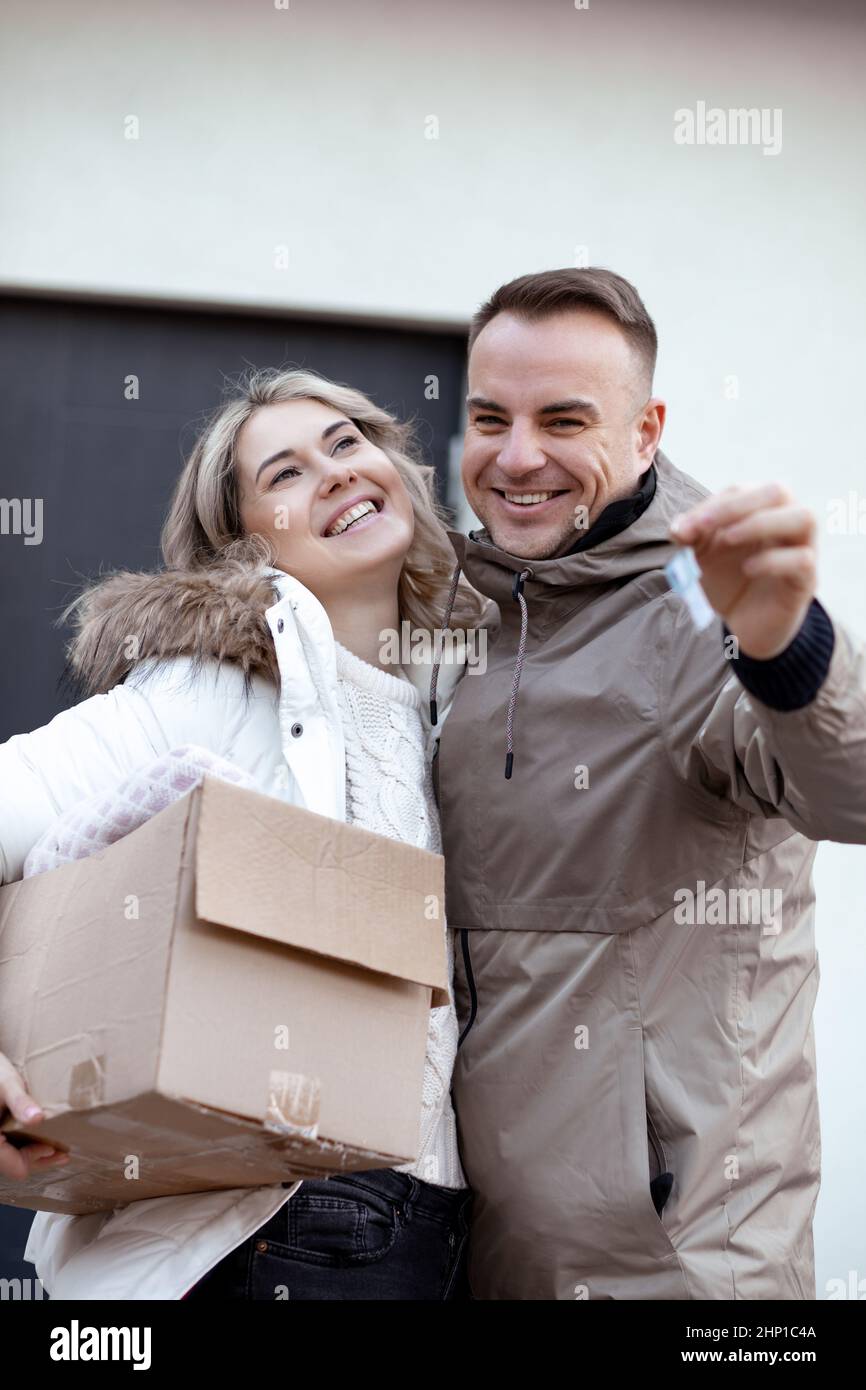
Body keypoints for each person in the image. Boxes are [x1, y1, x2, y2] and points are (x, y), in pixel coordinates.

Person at [0, 366, 487, 1300]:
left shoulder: (455, 709)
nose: (337, 472)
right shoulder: (207, 686)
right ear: (241, 543)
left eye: (348, 443)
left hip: (432, 1236)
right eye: (287, 474)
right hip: (268, 1231)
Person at [429, 266, 866, 1300]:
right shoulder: (456, 604)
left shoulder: (700, 602)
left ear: (643, 430)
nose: (516, 455)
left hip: (682, 1263)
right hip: (480, 1251)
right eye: (490, 417)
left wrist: (782, 642)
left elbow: (846, 789)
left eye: (563, 418)